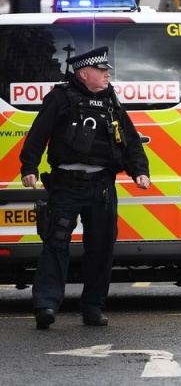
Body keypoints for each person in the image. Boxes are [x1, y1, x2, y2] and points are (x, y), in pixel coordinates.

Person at [20, 46, 150, 330]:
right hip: (66, 185)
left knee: (101, 248)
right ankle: (46, 305)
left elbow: (129, 140)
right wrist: (28, 167)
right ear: (83, 74)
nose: (106, 76)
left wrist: (140, 171)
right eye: (101, 71)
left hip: (101, 188)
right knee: (55, 243)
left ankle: (93, 308)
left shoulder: (111, 102)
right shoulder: (60, 98)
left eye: (106, 72)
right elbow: (38, 133)